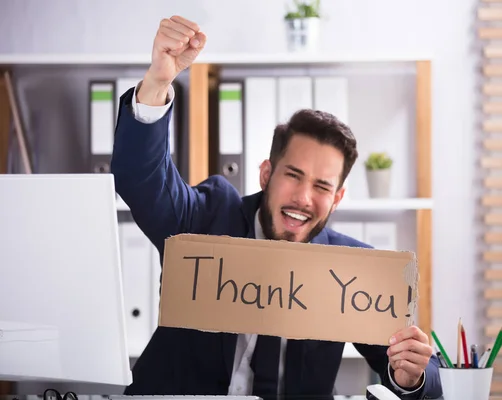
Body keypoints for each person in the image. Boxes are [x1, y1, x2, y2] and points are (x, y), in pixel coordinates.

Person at [110, 15, 442, 400]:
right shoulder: (206, 218)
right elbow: (140, 177)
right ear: (266, 173)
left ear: (337, 199)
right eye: (293, 176)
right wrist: (157, 82)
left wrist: (410, 376)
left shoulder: (354, 274)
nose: (303, 198)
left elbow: (426, 376)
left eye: (321, 186)